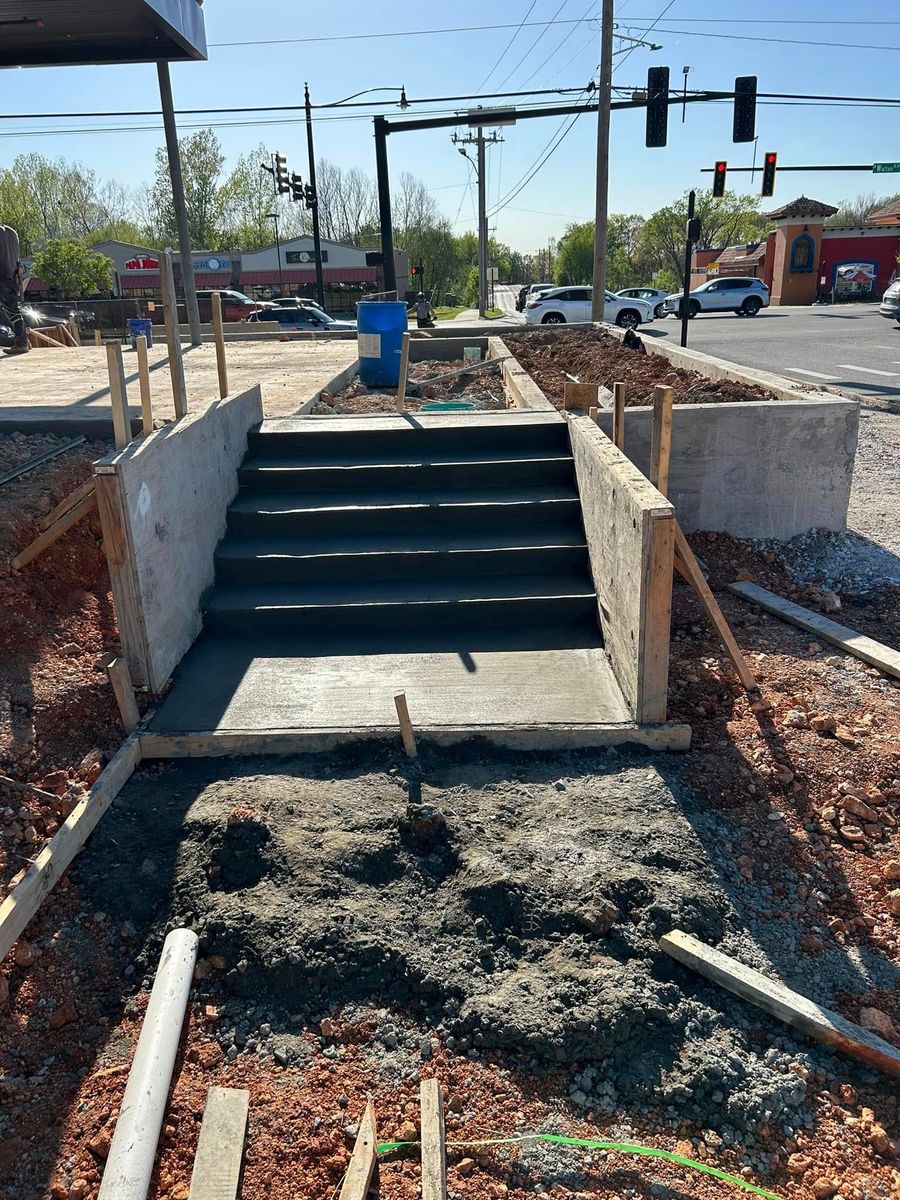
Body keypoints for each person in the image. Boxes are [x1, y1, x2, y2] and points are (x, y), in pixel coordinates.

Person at [0, 223, 28, 354]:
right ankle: (23, 341)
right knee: (13, 309)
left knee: (12, 311)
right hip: (12, 276)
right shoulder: (11, 231)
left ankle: (22, 343)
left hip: (2, 275)